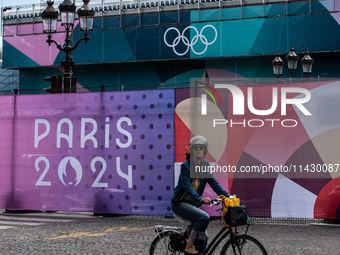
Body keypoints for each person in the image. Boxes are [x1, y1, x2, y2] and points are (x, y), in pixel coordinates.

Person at [171, 135, 233, 255]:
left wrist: (228, 196)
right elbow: (187, 188)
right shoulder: (186, 166)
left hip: (192, 205)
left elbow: (215, 185)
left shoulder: (205, 165)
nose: (198, 149)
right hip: (180, 203)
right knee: (204, 217)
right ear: (192, 150)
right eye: (196, 148)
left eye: (201, 147)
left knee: (203, 239)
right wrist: (200, 199)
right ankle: (188, 246)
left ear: (205, 150)